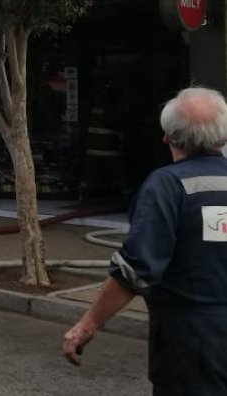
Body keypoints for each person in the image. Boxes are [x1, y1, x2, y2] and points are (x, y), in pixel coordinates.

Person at [62, 86, 227, 394]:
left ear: (168, 138)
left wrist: (86, 325)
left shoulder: (167, 186)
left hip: (193, 343)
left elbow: (135, 270)